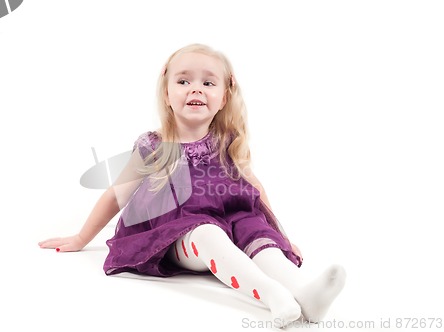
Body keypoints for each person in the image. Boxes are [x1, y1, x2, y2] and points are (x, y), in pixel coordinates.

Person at [39, 43, 346, 329]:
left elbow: (256, 191)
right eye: (184, 81)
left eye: (208, 83)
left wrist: (282, 237)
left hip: (232, 225)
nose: (196, 88)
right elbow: (116, 195)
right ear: (166, 93)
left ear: (223, 97)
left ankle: (305, 294)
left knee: (258, 234)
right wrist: (81, 237)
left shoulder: (227, 142)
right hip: (180, 236)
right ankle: (271, 294)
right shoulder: (154, 145)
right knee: (205, 230)